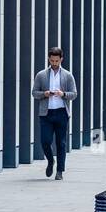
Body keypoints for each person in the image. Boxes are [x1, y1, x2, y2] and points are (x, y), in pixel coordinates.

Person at [31, 45, 78, 180]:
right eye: (52, 61)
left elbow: (74, 94)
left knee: (61, 143)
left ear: (61, 59)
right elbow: (34, 93)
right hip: (46, 114)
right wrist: (44, 94)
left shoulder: (68, 75)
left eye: (57, 61)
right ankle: (51, 160)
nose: (54, 63)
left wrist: (63, 94)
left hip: (62, 113)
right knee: (45, 141)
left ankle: (60, 171)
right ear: (49, 59)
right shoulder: (41, 75)